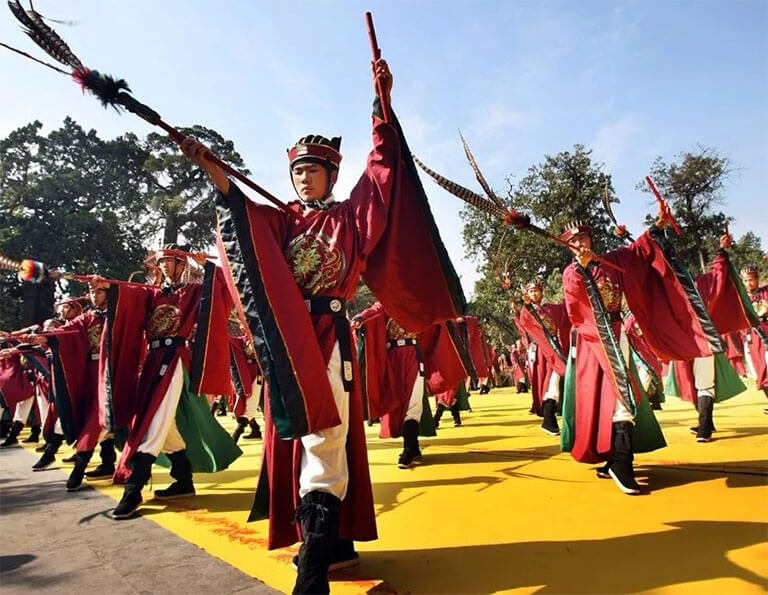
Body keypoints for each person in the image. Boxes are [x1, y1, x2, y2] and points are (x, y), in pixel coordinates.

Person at [184, 56, 464, 594]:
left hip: (332, 341)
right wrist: (213, 170)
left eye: (312, 169)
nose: (303, 177)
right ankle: (328, 547)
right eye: (296, 170)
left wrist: (381, 105)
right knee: (309, 440)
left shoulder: (348, 217)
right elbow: (238, 211)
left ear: (331, 175)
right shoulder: (282, 219)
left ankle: (313, 573)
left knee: (325, 437)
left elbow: (382, 174)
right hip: (290, 343)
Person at [110, 245, 241, 519]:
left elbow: (221, 290)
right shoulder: (154, 295)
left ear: (183, 265)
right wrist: (107, 289)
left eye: (170, 261)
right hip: (153, 361)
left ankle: (134, 487)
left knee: (154, 419)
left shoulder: (192, 292)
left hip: (174, 360)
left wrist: (208, 268)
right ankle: (183, 480)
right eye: (161, 262)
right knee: (166, 427)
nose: (164, 266)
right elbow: (130, 301)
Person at [517, 279, 570, 436]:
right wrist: (526, 306)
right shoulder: (527, 312)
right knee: (551, 382)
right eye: (531, 291)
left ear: (541, 292)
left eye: (536, 290)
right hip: (542, 351)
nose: (534, 293)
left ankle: (550, 419)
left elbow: (566, 310)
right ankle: (548, 419)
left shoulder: (550, 308)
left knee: (556, 380)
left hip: (555, 349)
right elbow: (524, 322)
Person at [741, 266, 768, 411]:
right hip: (752, 337)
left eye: (751, 280)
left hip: (766, 334)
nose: (748, 283)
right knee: (759, 372)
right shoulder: (741, 296)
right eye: (745, 280)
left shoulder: (765, 292)